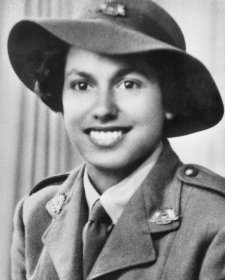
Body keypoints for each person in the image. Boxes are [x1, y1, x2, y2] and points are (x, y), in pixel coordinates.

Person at [7, 0, 225, 279]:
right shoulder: (36, 213)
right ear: (59, 94)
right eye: (82, 85)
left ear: (168, 99)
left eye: (129, 84)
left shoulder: (215, 221)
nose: (103, 109)